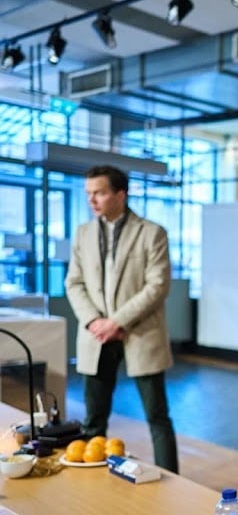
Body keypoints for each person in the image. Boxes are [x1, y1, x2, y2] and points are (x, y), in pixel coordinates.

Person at [65, 165, 178, 472]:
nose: (92, 200)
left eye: (99, 193)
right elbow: (73, 282)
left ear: (120, 195)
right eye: (88, 193)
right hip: (96, 336)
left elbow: (158, 286)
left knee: (158, 417)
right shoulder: (83, 233)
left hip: (140, 333)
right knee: (93, 420)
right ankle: (92, 481)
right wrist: (94, 322)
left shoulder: (152, 233)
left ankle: (174, 482)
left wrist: (116, 322)